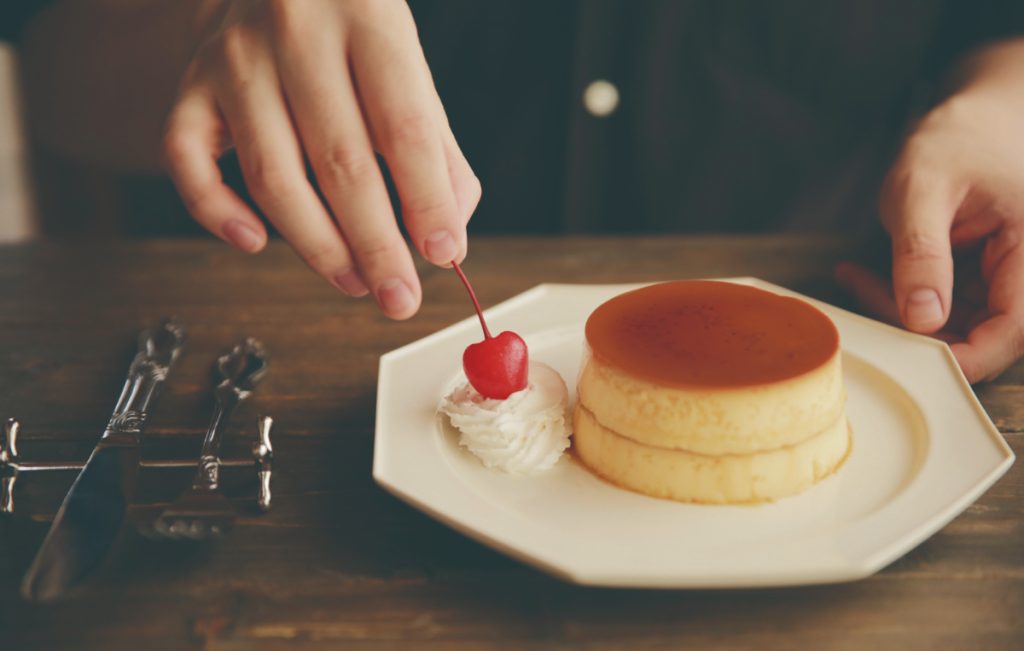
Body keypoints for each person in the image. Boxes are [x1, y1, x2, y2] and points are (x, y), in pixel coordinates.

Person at [5, 1, 1024, 382]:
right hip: (311, 346)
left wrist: (1001, 109)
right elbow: (46, 60)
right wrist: (207, 21)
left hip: (859, 321)